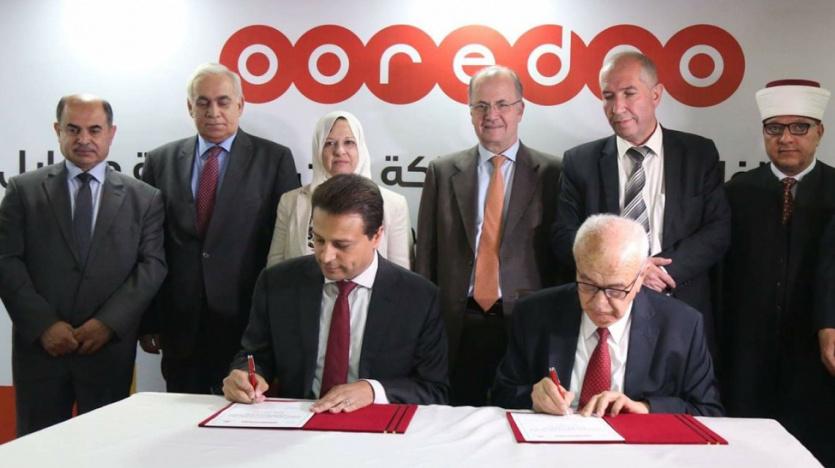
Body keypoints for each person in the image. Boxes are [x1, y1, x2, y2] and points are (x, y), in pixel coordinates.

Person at [0, 94, 167, 435]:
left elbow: (152, 267)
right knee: (39, 450)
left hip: (108, 351)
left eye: (94, 130)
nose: (84, 139)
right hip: (41, 352)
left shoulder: (145, 198)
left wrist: (108, 324)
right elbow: (6, 260)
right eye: (73, 129)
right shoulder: (22, 191)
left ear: (111, 133)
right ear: (57, 130)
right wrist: (44, 325)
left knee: (106, 447)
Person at [551, 52, 730, 356]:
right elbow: (564, 235)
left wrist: (656, 272)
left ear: (656, 94)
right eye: (608, 96)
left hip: (679, 304)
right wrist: (627, 271)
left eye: (629, 93)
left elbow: (717, 230)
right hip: (605, 312)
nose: (617, 107)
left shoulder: (698, 153)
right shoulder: (580, 162)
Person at [222, 174, 448, 410]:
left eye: (342, 245)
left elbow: (434, 389)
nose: (326, 256)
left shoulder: (418, 297)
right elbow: (255, 356)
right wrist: (245, 376)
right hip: (298, 416)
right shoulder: (278, 282)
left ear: (376, 236)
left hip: (376, 424)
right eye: (318, 240)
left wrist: (373, 390)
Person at [139, 63, 299, 394]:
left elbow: (280, 245)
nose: (213, 112)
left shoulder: (274, 160)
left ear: (240, 105)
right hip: (180, 324)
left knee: (243, 415)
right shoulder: (159, 161)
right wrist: (149, 320)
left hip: (246, 323)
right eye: (203, 102)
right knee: (181, 416)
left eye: (223, 101)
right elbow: (150, 247)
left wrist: (275, 321)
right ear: (190, 107)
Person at [416, 65, 562, 406]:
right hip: (457, 324)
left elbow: (560, 260)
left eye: (502, 104)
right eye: (480, 106)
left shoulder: (554, 173)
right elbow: (426, 257)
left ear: (520, 110)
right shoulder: (442, 172)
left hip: (525, 324)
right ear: (470, 113)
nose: (491, 114)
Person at [493, 214, 722, 417]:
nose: (600, 304)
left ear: (641, 278)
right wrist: (532, 397)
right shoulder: (534, 313)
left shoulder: (681, 325)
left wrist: (645, 408)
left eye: (616, 290)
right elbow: (501, 394)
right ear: (577, 268)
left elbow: (708, 411)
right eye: (588, 285)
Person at [722, 79, 835, 466]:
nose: (786, 138)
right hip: (746, 359)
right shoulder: (737, 192)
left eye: (799, 127)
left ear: (819, 132)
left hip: (817, 360)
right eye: (775, 128)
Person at [267, 110, 411, 269]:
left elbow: (401, 271)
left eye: (349, 142)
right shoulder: (290, 201)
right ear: (318, 149)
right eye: (329, 143)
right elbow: (275, 265)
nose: (339, 151)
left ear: (361, 148)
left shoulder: (393, 204)